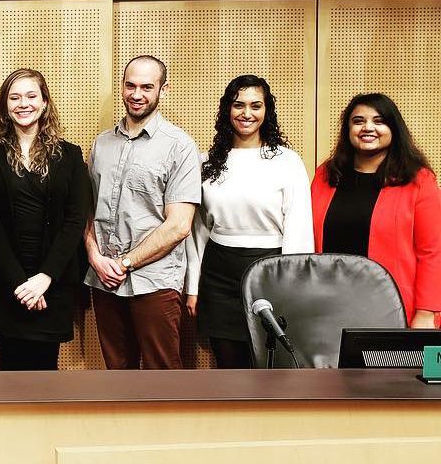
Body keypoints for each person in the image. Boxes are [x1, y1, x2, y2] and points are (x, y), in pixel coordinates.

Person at [185, 76, 313, 368]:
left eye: (256, 106)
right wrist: (193, 288)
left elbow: (298, 228)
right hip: (218, 275)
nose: (246, 113)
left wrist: (292, 286)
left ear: (267, 111)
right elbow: (198, 233)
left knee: (270, 365)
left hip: (270, 270)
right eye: (238, 105)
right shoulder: (205, 163)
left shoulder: (286, 161)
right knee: (230, 369)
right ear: (227, 110)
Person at [84, 55, 200, 370]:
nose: (137, 94)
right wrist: (95, 257)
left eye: (147, 87)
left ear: (163, 89)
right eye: (130, 85)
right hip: (105, 280)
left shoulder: (180, 146)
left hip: (154, 282)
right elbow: (87, 212)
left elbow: (179, 226)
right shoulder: (101, 145)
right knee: (117, 374)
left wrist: (124, 263)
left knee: (162, 376)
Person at [0, 69, 93, 371]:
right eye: (14, 97)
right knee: (9, 372)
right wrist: (20, 285)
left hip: (52, 283)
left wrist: (44, 279)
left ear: (44, 103)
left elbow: (75, 219)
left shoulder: (70, 155)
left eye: (30, 96)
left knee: (44, 376)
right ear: (5, 106)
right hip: (6, 285)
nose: (22, 104)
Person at [312, 93, 441, 329]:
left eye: (379, 121)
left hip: (394, 306)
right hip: (329, 304)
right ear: (348, 128)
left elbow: (432, 253)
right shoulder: (325, 175)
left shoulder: (418, 180)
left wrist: (426, 313)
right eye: (358, 121)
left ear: (394, 129)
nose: (367, 127)